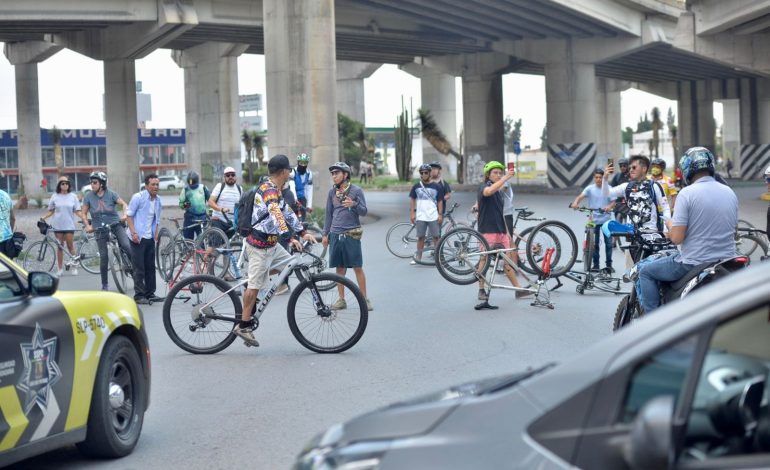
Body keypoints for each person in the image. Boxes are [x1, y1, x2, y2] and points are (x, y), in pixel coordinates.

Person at [637, 147, 738, 314]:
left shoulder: (687, 194)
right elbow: (732, 229)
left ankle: (653, 323)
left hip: (694, 262)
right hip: (727, 259)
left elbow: (677, 238)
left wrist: (670, 226)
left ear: (686, 169)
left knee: (646, 271)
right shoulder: (729, 192)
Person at [233, 155, 316, 347]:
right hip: (259, 247)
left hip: (272, 245)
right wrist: (290, 238)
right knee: (254, 287)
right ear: (284, 171)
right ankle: (243, 326)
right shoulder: (268, 191)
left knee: (289, 265)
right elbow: (277, 215)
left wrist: (302, 232)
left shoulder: (277, 189)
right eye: (289, 169)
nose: (290, 172)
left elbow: (286, 211)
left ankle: (257, 277)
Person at [322, 162, 373, 311]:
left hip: (352, 234)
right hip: (336, 234)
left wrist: (354, 204)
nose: (334, 176)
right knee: (339, 268)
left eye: (336, 173)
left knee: (357, 267)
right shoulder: (332, 193)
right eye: (332, 173)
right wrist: (325, 234)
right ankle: (341, 299)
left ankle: (365, 299)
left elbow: (364, 211)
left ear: (345, 175)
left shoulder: (356, 191)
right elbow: (328, 215)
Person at [476, 161, 530, 301]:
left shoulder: (499, 193)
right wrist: (505, 178)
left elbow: (501, 213)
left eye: (500, 173)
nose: (498, 175)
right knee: (484, 259)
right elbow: (487, 192)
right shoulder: (484, 186)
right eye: (495, 173)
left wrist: (507, 233)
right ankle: (481, 290)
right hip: (487, 230)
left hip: (501, 231)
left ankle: (518, 290)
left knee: (507, 262)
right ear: (488, 174)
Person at [81, 171, 132, 291]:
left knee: (126, 246)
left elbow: (124, 204)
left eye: (95, 182)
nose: (92, 185)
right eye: (91, 182)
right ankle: (104, 285)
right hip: (99, 229)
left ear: (102, 184)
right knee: (104, 257)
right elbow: (83, 213)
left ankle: (135, 270)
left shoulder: (111, 194)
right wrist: (87, 226)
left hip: (115, 225)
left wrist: (125, 214)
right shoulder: (88, 197)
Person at [603, 155, 670, 237]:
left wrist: (666, 229)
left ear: (644, 169)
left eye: (634, 167)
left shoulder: (655, 186)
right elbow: (606, 193)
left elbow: (666, 208)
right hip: (633, 235)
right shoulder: (626, 186)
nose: (631, 170)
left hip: (652, 235)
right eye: (630, 168)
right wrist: (605, 178)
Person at [126, 174, 164, 305]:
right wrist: (133, 232)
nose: (155, 187)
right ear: (147, 185)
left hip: (150, 238)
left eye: (157, 184)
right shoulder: (138, 197)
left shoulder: (158, 200)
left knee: (150, 267)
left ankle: (150, 293)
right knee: (139, 267)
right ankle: (139, 295)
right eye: (153, 184)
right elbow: (129, 216)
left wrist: (156, 234)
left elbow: (156, 220)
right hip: (137, 237)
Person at [570, 169, 614, 273]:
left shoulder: (608, 188)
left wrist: (608, 207)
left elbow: (613, 202)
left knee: (608, 244)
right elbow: (580, 197)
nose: (598, 179)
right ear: (594, 178)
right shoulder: (589, 189)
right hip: (594, 221)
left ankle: (609, 265)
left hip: (606, 221)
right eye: (596, 177)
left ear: (603, 178)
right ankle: (596, 265)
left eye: (600, 177)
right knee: (595, 244)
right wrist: (575, 203)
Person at [41, 176, 83, 275]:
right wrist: (44, 217)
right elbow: (51, 211)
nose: (65, 185)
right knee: (60, 247)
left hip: (69, 225)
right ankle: (60, 269)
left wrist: (84, 218)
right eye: (62, 183)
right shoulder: (54, 196)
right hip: (58, 225)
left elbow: (77, 211)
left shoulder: (73, 196)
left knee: (70, 246)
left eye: (67, 183)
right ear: (59, 185)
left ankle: (74, 266)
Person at [409, 163, 444, 265]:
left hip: (433, 216)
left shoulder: (437, 187)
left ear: (429, 173)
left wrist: (440, 214)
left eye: (426, 172)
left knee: (436, 237)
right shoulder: (416, 186)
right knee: (420, 237)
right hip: (421, 216)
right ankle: (418, 258)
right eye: (421, 172)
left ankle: (438, 258)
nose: (423, 174)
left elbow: (440, 201)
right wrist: (412, 213)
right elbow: (412, 199)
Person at [208, 166, 241, 239]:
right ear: (224, 177)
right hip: (219, 221)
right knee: (213, 246)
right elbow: (210, 202)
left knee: (228, 247)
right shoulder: (220, 186)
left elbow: (242, 205)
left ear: (235, 176)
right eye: (228, 175)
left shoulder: (239, 188)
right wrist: (221, 209)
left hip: (232, 224)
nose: (230, 177)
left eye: (232, 175)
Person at [178, 171, 210, 240]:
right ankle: (188, 250)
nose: (192, 185)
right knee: (188, 241)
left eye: (193, 182)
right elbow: (180, 204)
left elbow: (211, 201)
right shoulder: (185, 189)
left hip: (202, 219)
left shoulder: (203, 188)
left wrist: (211, 211)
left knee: (202, 242)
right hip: (189, 219)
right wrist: (186, 205)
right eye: (190, 183)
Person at [293, 153, 314, 220]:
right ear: (298, 162)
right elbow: (292, 186)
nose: (303, 165)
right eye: (301, 163)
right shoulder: (293, 172)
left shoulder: (309, 174)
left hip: (302, 198)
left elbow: (309, 189)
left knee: (303, 219)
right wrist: (295, 199)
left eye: (305, 163)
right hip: (293, 197)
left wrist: (309, 206)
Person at [610, 157, 630, 223]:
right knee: (617, 219)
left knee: (630, 220)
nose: (622, 167)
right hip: (619, 201)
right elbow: (611, 188)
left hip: (629, 201)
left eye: (624, 166)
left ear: (628, 166)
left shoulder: (632, 176)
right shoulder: (617, 176)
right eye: (620, 166)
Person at [0, 186, 15, 258]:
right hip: (8, 239)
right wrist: (10, 233)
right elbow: (13, 218)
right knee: (8, 267)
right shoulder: (6, 195)